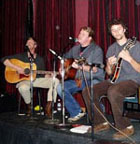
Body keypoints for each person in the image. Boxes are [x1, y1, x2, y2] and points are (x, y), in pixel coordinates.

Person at [82, 19, 140, 139]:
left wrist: (129, 59)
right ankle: (101, 122)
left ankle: (125, 127)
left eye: (119, 29)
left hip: (132, 81)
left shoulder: (136, 46)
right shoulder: (111, 48)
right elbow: (109, 73)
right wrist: (109, 65)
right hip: (114, 81)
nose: (117, 32)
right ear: (111, 33)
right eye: (113, 30)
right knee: (88, 91)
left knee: (113, 91)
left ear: (124, 29)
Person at [1, 37, 59, 117]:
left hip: (37, 80)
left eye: (30, 42)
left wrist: (50, 75)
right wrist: (18, 68)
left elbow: (42, 74)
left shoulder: (40, 59)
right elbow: (4, 59)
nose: (28, 44)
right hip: (25, 80)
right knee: (22, 88)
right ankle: (29, 105)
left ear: (35, 45)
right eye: (27, 43)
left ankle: (49, 106)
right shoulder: (21, 56)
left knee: (55, 80)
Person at [57, 26, 105, 122]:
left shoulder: (96, 50)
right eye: (79, 33)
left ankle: (100, 112)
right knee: (60, 87)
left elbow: (95, 69)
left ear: (89, 38)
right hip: (79, 79)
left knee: (88, 91)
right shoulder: (75, 49)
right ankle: (76, 112)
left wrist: (80, 67)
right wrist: (62, 66)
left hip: (93, 79)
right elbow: (65, 57)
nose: (79, 35)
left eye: (83, 34)